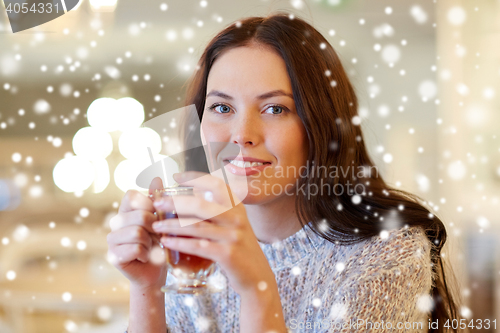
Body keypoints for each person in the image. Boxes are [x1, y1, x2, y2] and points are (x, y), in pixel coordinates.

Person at [107, 12, 461, 333]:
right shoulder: (195, 244)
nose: (242, 134)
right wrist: (147, 289)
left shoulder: (387, 254)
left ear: (321, 124)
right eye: (221, 107)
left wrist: (258, 289)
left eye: (275, 108)